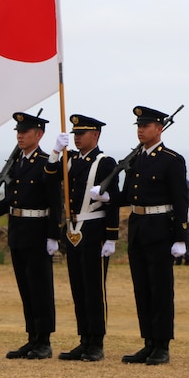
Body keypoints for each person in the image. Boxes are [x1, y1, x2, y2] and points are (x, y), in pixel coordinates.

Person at [0, 111, 62, 360]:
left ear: (39, 134)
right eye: (18, 132)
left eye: (25, 132)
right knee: (26, 288)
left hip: (37, 232)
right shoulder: (17, 163)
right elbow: (14, 199)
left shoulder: (46, 162)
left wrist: (53, 235)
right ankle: (32, 337)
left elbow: (55, 201)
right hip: (18, 232)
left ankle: (44, 340)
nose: (20, 136)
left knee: (41, 289)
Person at [120, 106, 189, 366]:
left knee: (160, 289)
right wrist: (105, 196)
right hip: (138, 227)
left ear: (159, 129)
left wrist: (181, 237)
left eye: (146, 125)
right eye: (138, 125)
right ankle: (148, 341)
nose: (140, 129)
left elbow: (181, 200)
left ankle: (162, 345)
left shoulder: (171, 160)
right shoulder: (136, 159)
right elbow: (127, 196)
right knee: (142, 289)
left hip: (160, 228)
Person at [55, 114, 119, 362]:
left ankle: (97, 342)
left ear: (96, 135)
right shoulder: (68, 161)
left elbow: (112, 201)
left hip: (94, 230)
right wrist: (54, 152)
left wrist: (111, 237)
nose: (77, 137)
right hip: (73, 231)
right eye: (75, 134)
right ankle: (84, 339)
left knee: (94, 289)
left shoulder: (105, 162)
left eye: (82, 133)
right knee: (78, 288)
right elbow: (49, 177)